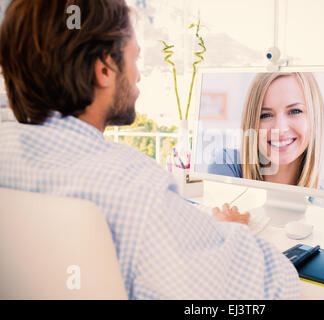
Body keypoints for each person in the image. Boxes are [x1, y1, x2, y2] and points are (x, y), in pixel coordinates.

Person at [0, 0, 301, 299]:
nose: (139, 77)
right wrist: (229, 233)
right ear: (104, 69)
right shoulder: (137, 191)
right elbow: (275, 288)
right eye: (135, 59)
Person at [208, 72, 324, 188]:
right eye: (266, 115)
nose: (279, 129)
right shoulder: (227, 165)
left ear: (314, 118)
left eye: (295, 111)